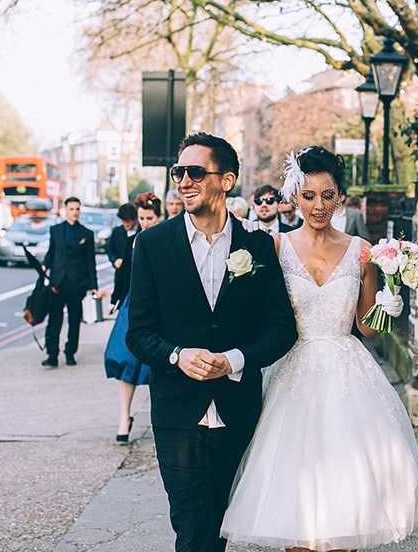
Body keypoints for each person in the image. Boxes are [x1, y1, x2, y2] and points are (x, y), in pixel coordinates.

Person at [221, 146, 418, 552]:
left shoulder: (362, 251)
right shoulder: (276, 248)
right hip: (293, 378)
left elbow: (366, 328)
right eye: (310, 195)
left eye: (328, 195)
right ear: (295, 196)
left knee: (349, 508)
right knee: (293, 511)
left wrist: (389, 304)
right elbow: (263, 317)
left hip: (349, 379)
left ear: (341, 198)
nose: (319, 205)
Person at [126, 132, 298, 552]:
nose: (183, 181)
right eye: (178, 172)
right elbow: (138, 332)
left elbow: (281, 330)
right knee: (190, 522)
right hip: (177, 409)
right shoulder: (151, 245)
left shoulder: (257, 247)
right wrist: (177, 355)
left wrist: (234, 360)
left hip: (236, 408)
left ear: (226, 180)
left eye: (195, 172)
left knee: (221, 520)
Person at [104, 193, 162, 443]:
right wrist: (115, 299)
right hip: (132, 302)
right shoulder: (133, 241)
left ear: (159, 217)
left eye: (150, 218)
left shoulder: (166, 239)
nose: (145, 222)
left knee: (157, 364)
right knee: (124, 358)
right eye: (141, 218)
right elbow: (124, 275)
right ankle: (123, 417)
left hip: (162, 304)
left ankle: (159, 417)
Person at [42, 196, 98, 367]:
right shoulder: (55, 230)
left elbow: (90, 261)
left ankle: (70, 353)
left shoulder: (86, 234)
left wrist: (93, 286)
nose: (75, 212)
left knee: (74, 321)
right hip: (57, 282)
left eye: (77, 209)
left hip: (77, 284)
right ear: (65, 210)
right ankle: (52, 354)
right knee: (54, 320)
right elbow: (52, 253)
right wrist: (45, 265)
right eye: (72, 209)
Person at [107, 202, 139, 308]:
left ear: (135, 219)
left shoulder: (140, 232)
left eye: (128, 221)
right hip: (121, 274)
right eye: (122, 221)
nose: (125, 224)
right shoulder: (117, 231)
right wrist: (115, 259)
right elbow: (110, 248)